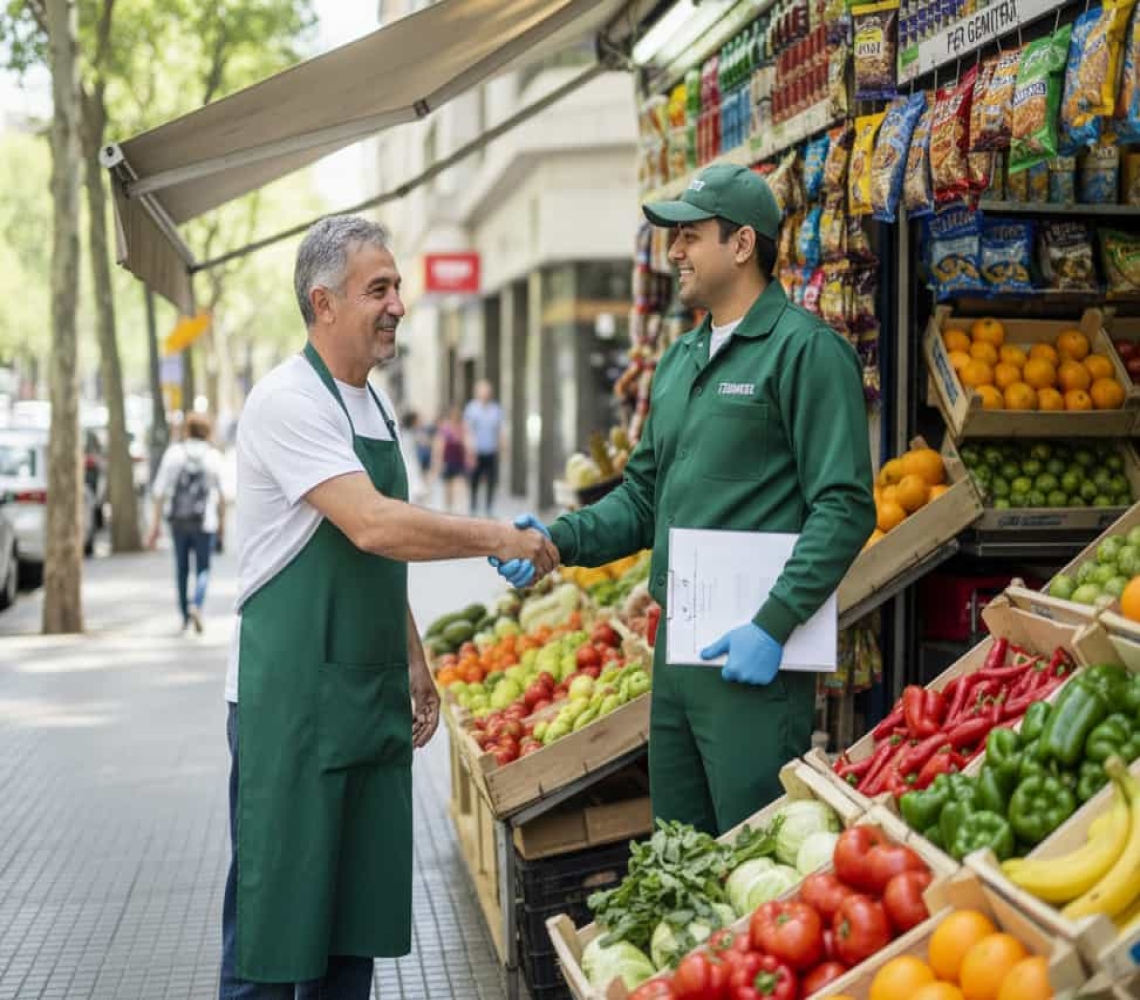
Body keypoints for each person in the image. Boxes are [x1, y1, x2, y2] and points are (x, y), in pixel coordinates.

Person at [220, 214, 556, 999]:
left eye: (399, 285)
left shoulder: (374, 406)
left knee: (350, 940)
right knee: (272, 936)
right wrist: (495, 533)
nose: (399, 303)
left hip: (362, 700)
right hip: (291, 709)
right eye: (380, 288)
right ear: (324, 301)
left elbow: (382, 553)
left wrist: (415, 659)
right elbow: (373, 526)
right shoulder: (287, 401)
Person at [497, 164, 875, 837]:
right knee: (683, 851)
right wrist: (559, 542)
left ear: (741, 245)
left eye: (689, 235)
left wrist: (774, 622)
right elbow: (644, 497)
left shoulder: (807, 353)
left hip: (755, 658)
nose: (673, 251)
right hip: (677, 651)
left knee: (752, 850)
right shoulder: (680, 361)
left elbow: (845, 505)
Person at [147, 411, 226, 634]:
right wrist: (222, 525)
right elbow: (223, 496)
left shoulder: (174, 453)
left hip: (178, 521)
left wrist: (154, 527)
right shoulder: (213, 456)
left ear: (187, 430)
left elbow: (159, 492)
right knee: (203, 568)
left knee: (181, 569)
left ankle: (184, 616)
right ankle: (197, 605)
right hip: (205, 522)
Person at [464, 378, 504, 515]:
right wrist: (470, 451)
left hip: (491, 451)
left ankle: (489, 508)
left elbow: (499, 430)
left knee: (492, 481)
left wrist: (502, 448)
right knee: (474, 480)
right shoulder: (472, 409)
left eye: (487, 392)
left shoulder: (496, 409)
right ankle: (473, 508)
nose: (485, 394)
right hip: (476, 451)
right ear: (478, 393)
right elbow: (468, 431)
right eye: (483, 391)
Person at [431, 404, 467, 513]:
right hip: (448, 460)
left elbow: (467, 443)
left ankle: (457, 508)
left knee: (459, 485)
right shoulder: (445, 428)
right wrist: (438, 462)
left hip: (459, 460)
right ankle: (448, 508)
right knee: (448, 487)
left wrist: (469, 457)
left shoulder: (462, 427)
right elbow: (439, 444)